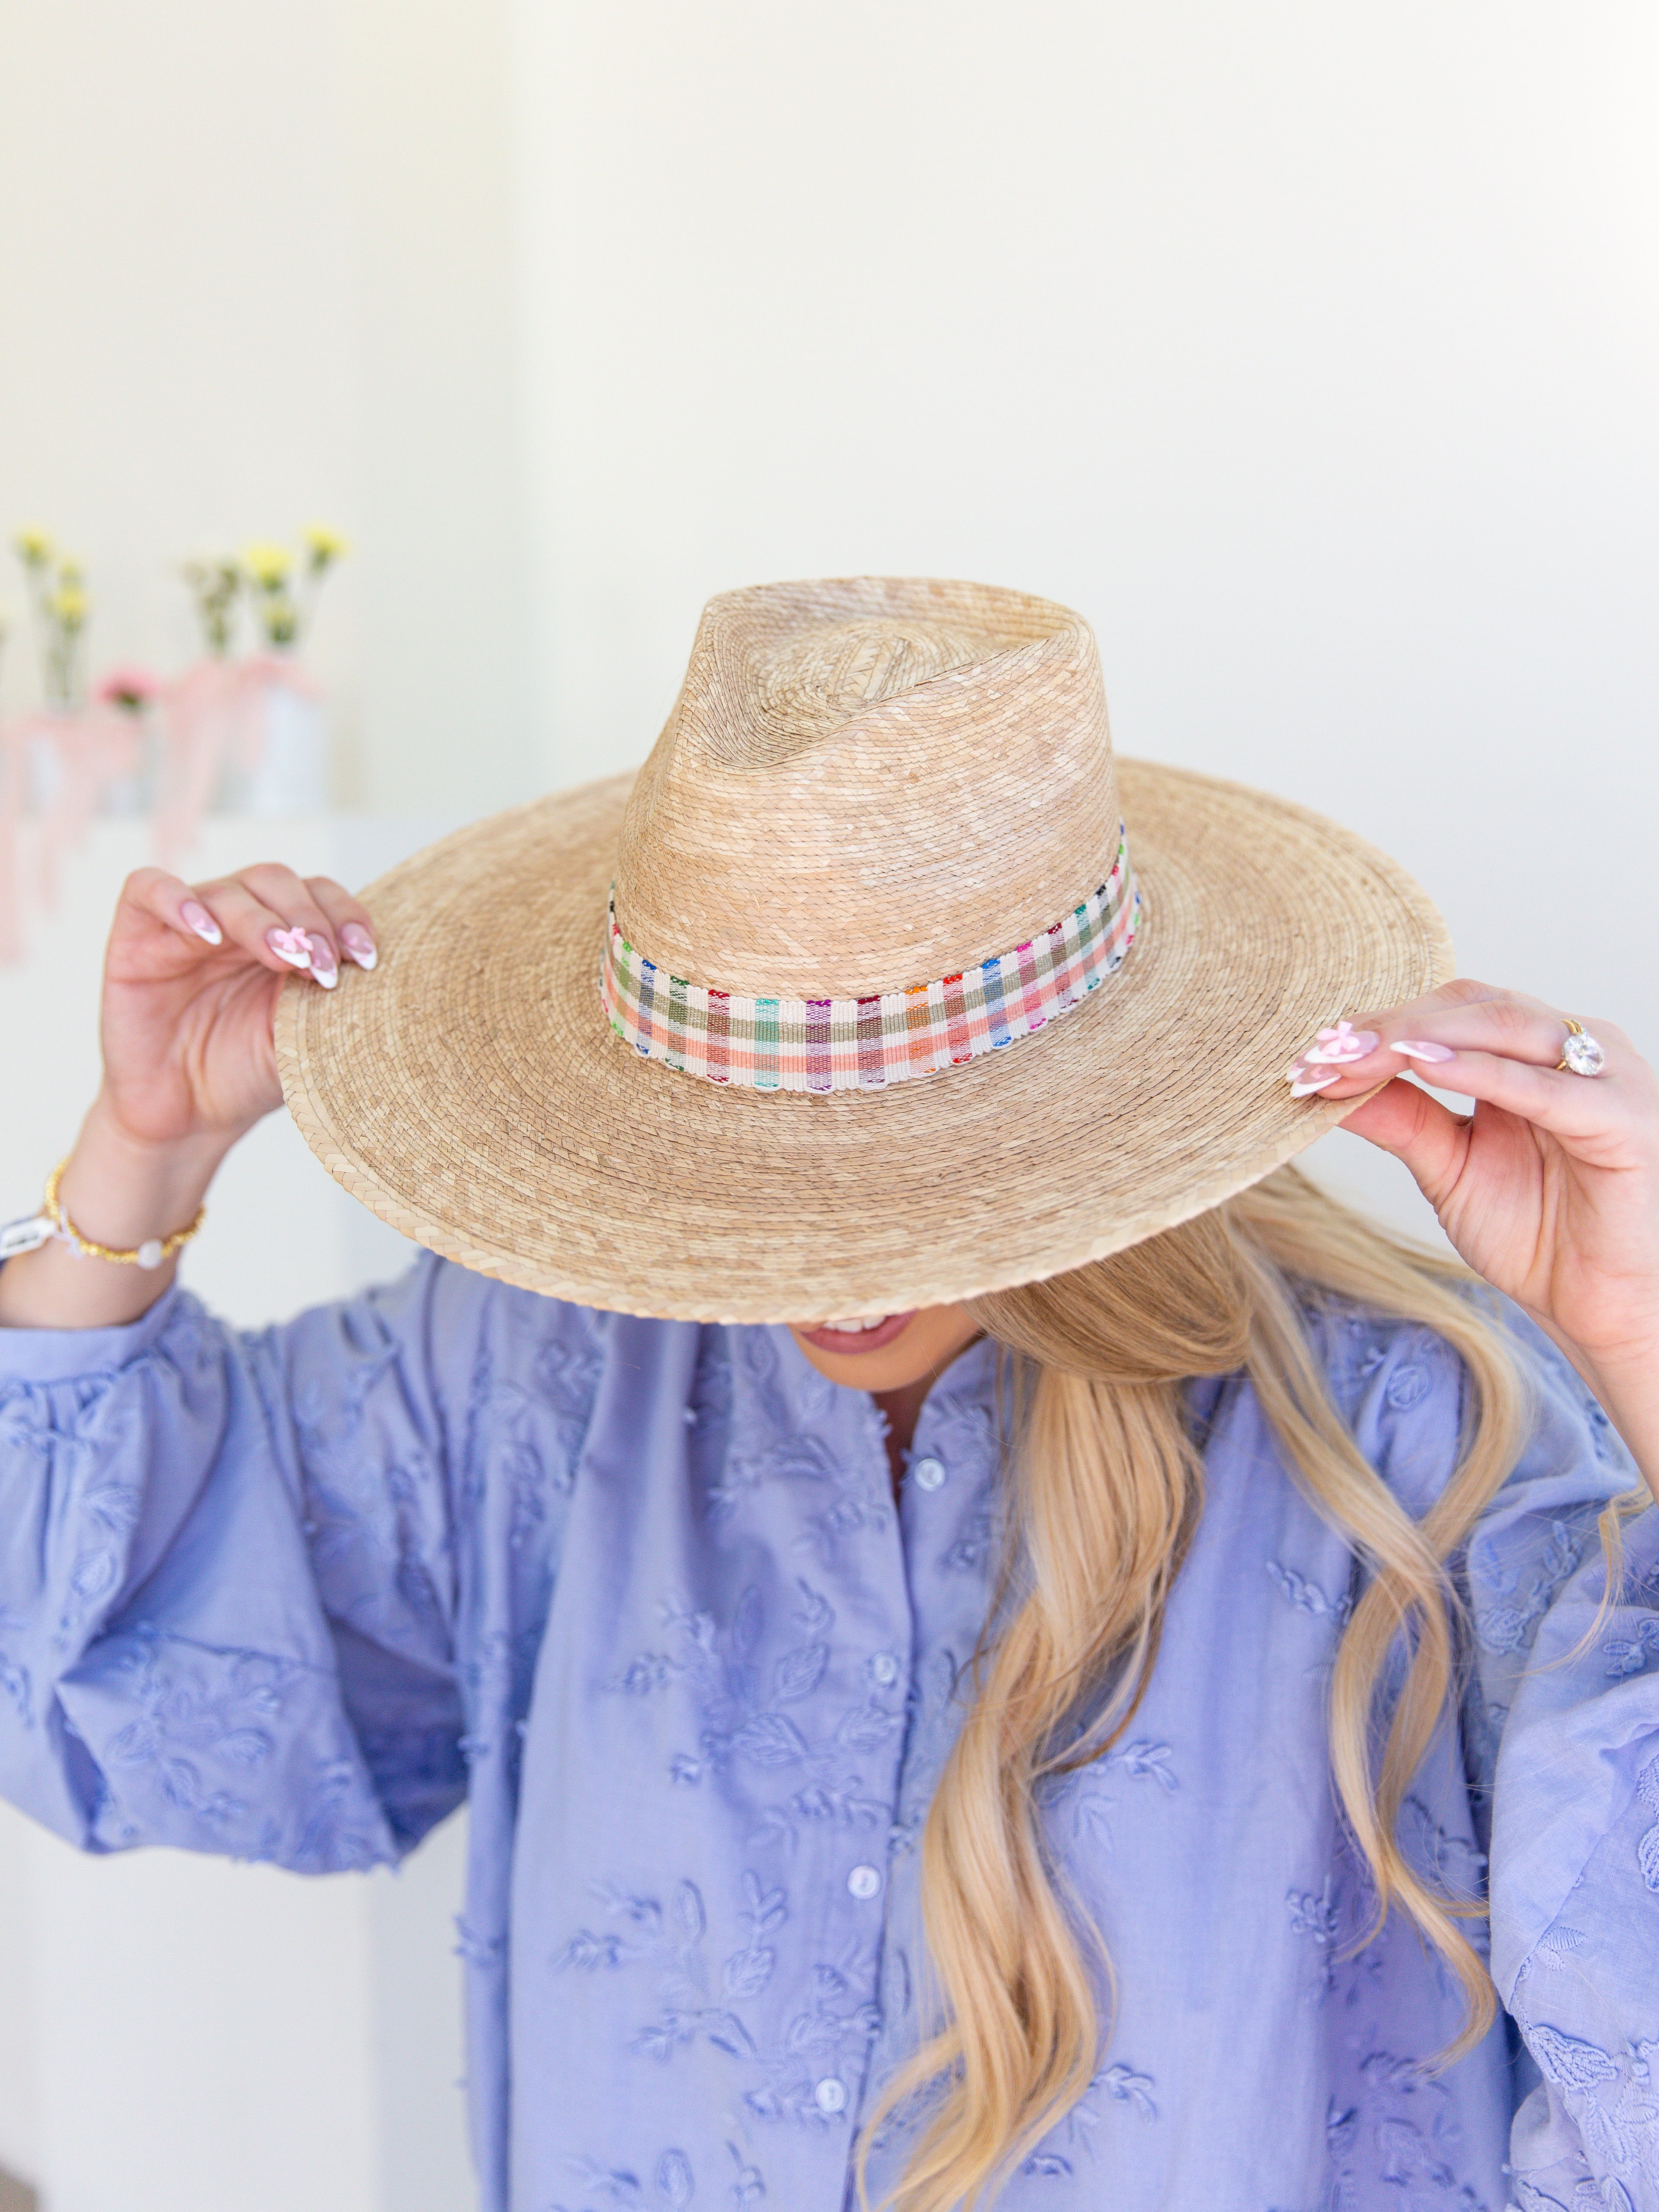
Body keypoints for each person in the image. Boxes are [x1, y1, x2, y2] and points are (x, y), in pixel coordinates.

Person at [0, 578, 1655, 2212]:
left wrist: (1643, 1336)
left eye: (899, 1166)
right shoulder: (539, 1367)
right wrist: (142, 1156)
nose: (822, 1269)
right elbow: (87, 1685)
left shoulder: (1411, 1434)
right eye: (750, 1160)